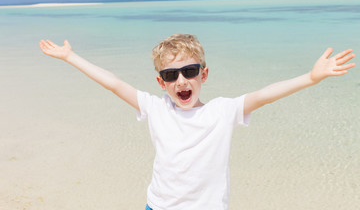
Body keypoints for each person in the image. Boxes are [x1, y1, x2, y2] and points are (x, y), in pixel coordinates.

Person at [39, 34, 356, 210]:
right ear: (161, 82)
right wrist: (70, 57)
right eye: (170, 75)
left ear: (203, 74)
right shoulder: (155, 107)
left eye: (189, 71)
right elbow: (113, 83)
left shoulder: (222, 111)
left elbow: (265, 95)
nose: (181, 81)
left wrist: (312, 78)